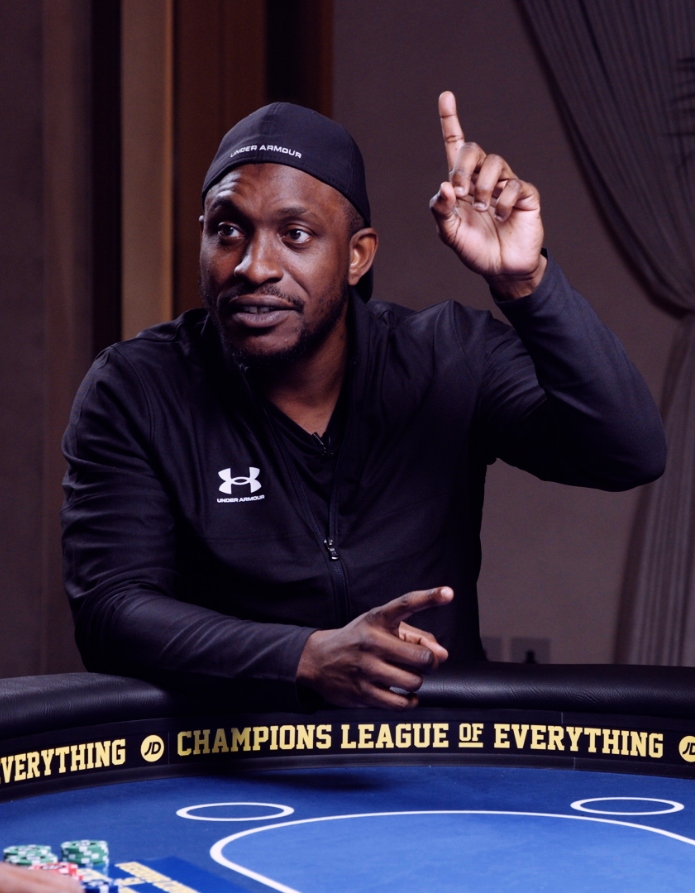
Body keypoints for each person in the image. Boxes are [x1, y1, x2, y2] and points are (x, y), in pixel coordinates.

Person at [61, 93, 665, 712]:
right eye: (228, 230)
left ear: (357, 256)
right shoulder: (137, 388)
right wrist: (304, 657)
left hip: (434, 747)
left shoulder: (449, 356)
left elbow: (628, 452)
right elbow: (113, 610)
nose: (253, 266)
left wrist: (525, 281)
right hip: (241, 755)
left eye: (295, 234)